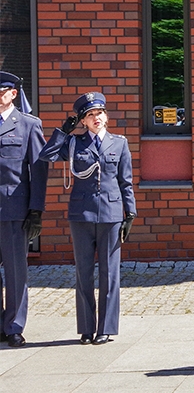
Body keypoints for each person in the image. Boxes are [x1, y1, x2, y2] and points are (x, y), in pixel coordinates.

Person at [38, 92, 137, 345]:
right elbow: (45, 155)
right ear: (82, 121)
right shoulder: (73, 143)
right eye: (90, 115)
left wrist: (130, 213)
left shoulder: (119, 143)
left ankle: (105, 328)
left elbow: (125, 182)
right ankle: (86, 328)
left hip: (111, 215)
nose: (96, 118)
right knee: (83, 273)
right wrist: (62, 131)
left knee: (109, 274)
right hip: (81, 215)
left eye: (100, 113)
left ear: (107, 116)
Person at [0, 72, 48, 348]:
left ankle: (14, 326)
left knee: (17, 272)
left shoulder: (28, 125)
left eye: (2, 92)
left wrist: (36, 210)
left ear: (13, 94)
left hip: (14, 210)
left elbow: (38, 170)